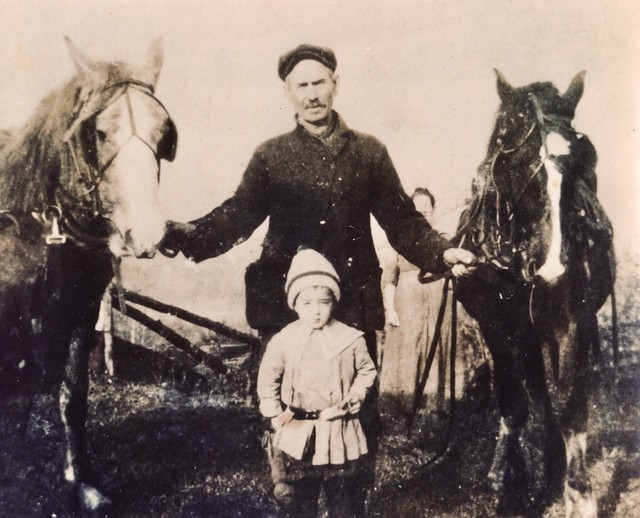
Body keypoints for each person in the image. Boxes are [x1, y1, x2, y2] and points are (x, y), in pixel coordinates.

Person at [160, 43, 477, 365]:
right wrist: (179, 234)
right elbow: (238, 215)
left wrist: (442, 252)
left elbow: (402, 221)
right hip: (285, 306)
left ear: (335, 85)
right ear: (287, 91)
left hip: (351, 307)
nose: (311, 95)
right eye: (302, 85)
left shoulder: (369, 152)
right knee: (283, 393)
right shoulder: (271, 155)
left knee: (355, 392)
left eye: (319, 83)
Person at [257, 248, 377, 517]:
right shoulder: (284, 340)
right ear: (294, 304)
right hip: (298, 429)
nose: (315, 311)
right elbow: (268, 380)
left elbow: (367, 370)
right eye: (307, 303)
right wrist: (274, 415)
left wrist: (357, 393)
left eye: (323, 302)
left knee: (343, 496)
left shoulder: (350, 339)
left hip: (339, 429)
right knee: (297, 496)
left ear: (334, 301)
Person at [379, 188, 450, 415]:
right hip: (408, 304)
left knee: (437, 346)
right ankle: (404, 402)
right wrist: (390, 309)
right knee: (408, 347)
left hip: (439, 302)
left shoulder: (443, 240)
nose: (423, 212)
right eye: (418, 209)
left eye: (427, 207)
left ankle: (435, 402)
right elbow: (389, 279)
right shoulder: (399, 244)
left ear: (433, 210)